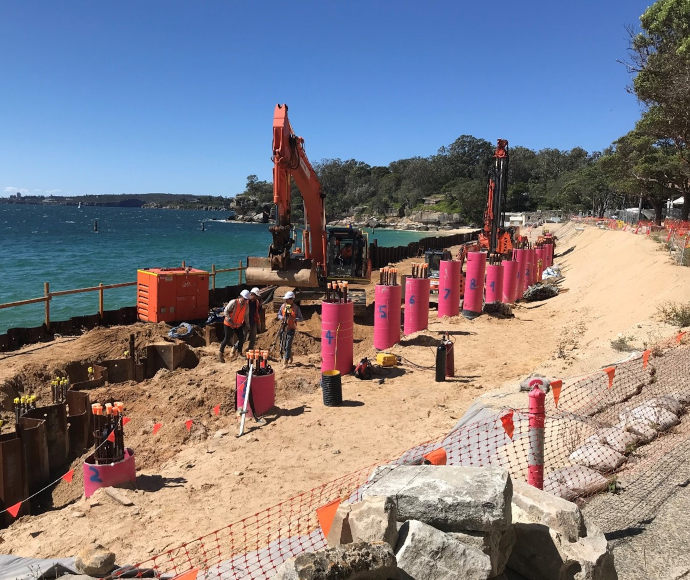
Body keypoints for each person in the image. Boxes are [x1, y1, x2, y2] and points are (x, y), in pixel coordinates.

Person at [219, 289, 250, 362]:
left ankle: (239, 353)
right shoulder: (234, 302)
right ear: (241, 297)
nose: (245, 301)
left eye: (247, 299)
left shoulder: (246, 306)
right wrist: (229, 319)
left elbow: (246, 316)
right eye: (245, 299)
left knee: (241, 338)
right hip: (229, 324)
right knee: (227, 338)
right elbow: (225, 311)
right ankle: (220, 353)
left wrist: (248, 325)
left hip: (237, 325)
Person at [277, 291, 303, 367]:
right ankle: (289, 355)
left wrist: (295, 319)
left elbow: (301, 318)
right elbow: (278, 314)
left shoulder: (296, 308)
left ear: (292, 299)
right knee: (283, 344)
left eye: (288, 299)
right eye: (286, 299)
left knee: (288, 345)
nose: (286, 301)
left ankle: (286, 361)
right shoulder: (283, 306)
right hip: (283, 328)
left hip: (291, 328)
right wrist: (282, 317)